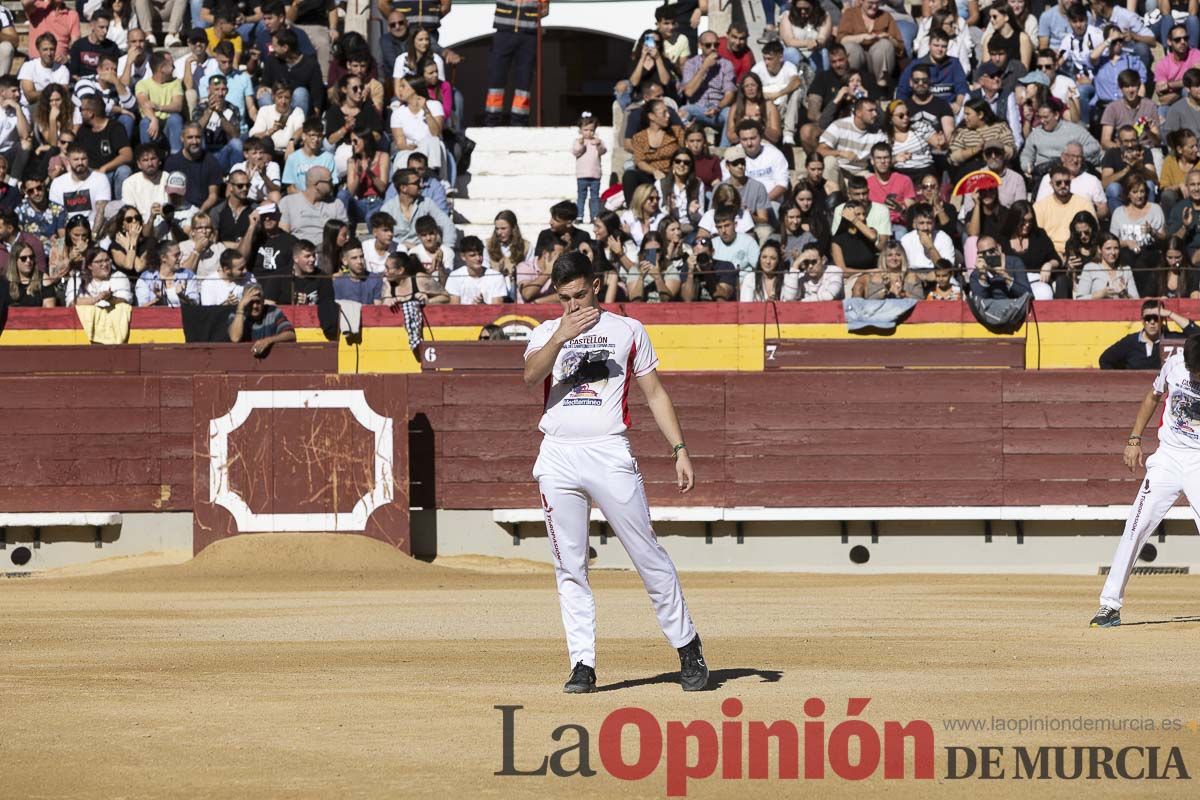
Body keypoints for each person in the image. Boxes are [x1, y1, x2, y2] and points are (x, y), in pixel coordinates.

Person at [522, 252, 707, 693]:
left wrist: (679, 448)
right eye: (564, 298)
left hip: (609, 452)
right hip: (558, 455)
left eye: (580, 295)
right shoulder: (547, 332)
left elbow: (656, 394)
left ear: (597, 285)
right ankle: (582, 663)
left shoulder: (627, 329)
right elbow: (531, 375)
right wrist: (560, 338)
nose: (573, 305)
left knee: (646, 553)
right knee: (570, 564)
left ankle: (686, 645)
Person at [1092, 335, 1200, 627]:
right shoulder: (1175, 364)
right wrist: (1134, 439)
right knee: (1135, 525)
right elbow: (1153, 397)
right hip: (1168, 457)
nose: (1194, 375)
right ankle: (1109, 605)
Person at [484, 0, 545, 126]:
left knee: (524, 80)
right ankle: (492, 120)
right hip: (503, 33)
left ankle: (519, 120)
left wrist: (530, 17)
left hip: (528, 36)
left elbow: (544, 9)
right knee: (496, 78)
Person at [1099, 301, 1199, 370]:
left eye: (1156, 318)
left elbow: (1198, 336)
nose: (1152, 322)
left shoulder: (1171, 339)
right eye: (1148, 318)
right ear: (1142, 321)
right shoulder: (1130, 342)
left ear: (1163, 320)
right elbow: (1105, 360)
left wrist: (1170, 314)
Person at [227, 284, 296, 357]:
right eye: (251, 302)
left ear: (263, 301)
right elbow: (235, 338)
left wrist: (268, 340)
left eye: (258, 302)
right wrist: (240, 308)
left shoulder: (272, 311)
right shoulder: (236, 314)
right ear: (244, 301)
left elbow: (291, 335)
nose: (255, 306)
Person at [446, 235, 508, 304]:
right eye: (473, 255)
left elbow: (498, 310)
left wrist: (483, 307)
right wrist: (473, 309)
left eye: (480, 254)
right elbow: (454, 309)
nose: (478, 258)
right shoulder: (455, 276)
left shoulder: (496, 277)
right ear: (463, 257)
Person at [969, 234, 1032, 299]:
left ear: (999, 248)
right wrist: (982, 276)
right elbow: (978, 303)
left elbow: (1027, 295)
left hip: (1015, 306)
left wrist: (1004, 275)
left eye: (991, 251)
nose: (988, 255)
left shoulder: (1014, 263)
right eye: (983, 253)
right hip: (992, 308)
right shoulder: (976, 274)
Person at [572, 113, 605, 224]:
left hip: (595, 175)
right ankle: (579, 216)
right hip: (582, 175)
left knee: (595, 197)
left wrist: (598, 144)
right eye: (585, 130)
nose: (588, 132)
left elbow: (603, 151)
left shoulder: (597, 141)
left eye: (591, 130)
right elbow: (576, 152)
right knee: (581, 197)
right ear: (580, 130)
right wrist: (581, 145)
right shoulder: (578, 141)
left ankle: (595, 216)